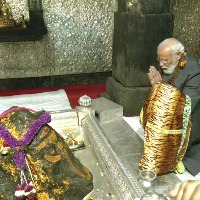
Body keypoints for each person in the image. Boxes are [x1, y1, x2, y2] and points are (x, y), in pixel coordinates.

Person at [148, 38, 200, 176]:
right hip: (171, 114)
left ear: (178, 55)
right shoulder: (171, 65)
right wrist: (157, 87)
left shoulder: (194, 72)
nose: (161, 64)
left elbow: (187, 105)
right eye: (159, 59)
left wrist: (161, 88)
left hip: (191, 121)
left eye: (165, 60)